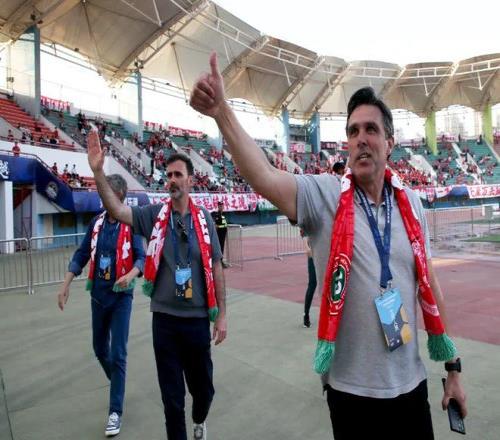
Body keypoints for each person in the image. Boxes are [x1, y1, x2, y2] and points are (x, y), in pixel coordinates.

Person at [190, 53, 466, 439]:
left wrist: (453, 369)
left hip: (411, 386)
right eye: (353, 132)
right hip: (351, 394)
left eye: (371, 130)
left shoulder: (411, 205)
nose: (361, 139)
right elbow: (265, 175)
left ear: (389, 142)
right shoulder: (325, 195)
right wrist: (222, 112)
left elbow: (430, 286)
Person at [87, 131, 227, 440]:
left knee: (203, 391)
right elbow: (118, 210)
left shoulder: (205, 220)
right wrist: (98, 172)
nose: (172, 180)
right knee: (171, 400)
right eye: (169, 175)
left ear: (191, 180)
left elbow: (216, 266)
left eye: (178, 175)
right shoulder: (154, 216)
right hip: (164, 321)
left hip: (197, 320)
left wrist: (222, 315)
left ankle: (200, 418)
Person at [57, 174, 145, 437]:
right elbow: (82, 254)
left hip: (121, 298)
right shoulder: (96, 223)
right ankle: (118, 382)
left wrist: (131, 275)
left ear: (119, 197)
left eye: (107, 194)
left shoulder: (131, 224)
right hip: (98, 296)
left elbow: (141, 257)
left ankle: (115, 411)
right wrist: (65, 284)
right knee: (99, 348)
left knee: (118, 353)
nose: (103, 198)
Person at [300, 228, 316, 328]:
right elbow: (304, 230)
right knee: (312, 284)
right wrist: (307, 247)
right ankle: (306, 314)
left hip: (327, 253)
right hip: (313, 253)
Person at [211, 201, 229, 268]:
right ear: (218, 207)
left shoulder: (223, 214)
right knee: (220, 248)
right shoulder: (217, 215)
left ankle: (221, 261)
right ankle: (219, 262)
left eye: (222, 206)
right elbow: (216, 225)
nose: (221, 207)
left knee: (222, 248)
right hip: (219, 234)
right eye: (220, 206)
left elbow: (224, 224)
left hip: (223, 234)